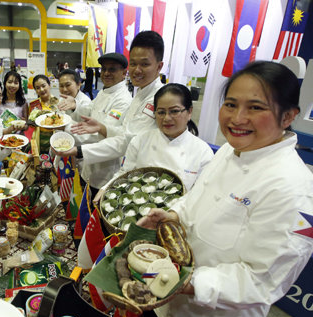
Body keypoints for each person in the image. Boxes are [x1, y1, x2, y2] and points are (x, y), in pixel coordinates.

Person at [137, 61, 313, 317]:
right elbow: (197, 198)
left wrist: (187, 283)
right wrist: (174, 214)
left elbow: (261, 279)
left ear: (289, 116)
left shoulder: (299, 193)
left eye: (255, 107)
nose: (238, 119)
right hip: (177, 299)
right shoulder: (230, 150)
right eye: (231, 104)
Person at [59, 31, 165, 168]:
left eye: (144, 64)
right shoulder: (135, 93)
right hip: (100, 162)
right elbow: (122, 131)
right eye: (133, 64)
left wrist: (77, 148)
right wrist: (76, 106)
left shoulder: (156, 99)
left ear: (159, 66)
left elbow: (128, 141)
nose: (137, 70)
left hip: (121, 167)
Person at [100, 84, 213, 194]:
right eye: (161, 112)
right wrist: (105, 189)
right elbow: (124, 173)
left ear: (189, 112)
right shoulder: (140, 141)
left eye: (174, 111)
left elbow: (200, 194)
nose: (167, 118)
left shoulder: (203, 151)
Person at [57, 53, 132, 196]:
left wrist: (64, 126)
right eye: (103, 69)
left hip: (105, 171)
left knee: (93, 211)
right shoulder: (104, 92)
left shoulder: (123, 99)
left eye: (112, 69)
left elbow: (100, 134)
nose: (106, 73)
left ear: (124, 73)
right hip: (88, 166)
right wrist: (75, 106)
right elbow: (89, 110)